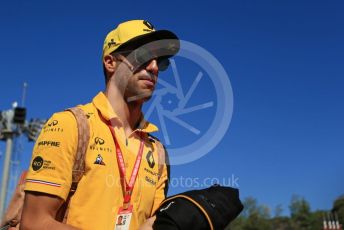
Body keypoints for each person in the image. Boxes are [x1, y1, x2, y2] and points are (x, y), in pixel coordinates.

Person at [20, 19, 180, 230]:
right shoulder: (71, 124)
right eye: (143, 56)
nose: (153, 67)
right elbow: (33, 223)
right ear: (110, 62)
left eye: (160, 62)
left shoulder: (157, 151)